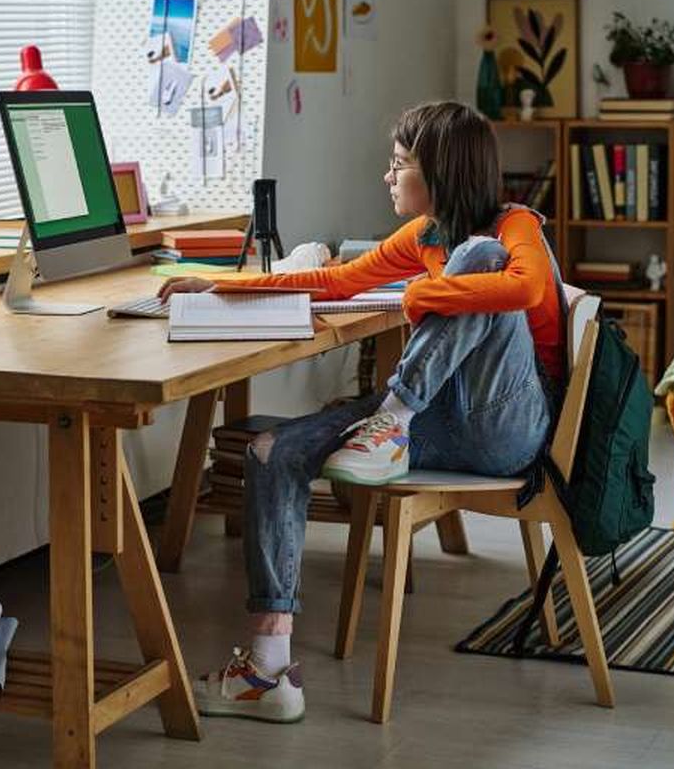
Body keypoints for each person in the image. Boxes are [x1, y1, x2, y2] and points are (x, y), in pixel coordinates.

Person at [158, 101, 566, 724]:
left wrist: (424, 293)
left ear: (442, 174)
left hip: (505, 425)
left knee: (478, 260)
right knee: (272, 450)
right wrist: (219, 286)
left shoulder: (512, 230)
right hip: (434, 421)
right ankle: (266, 672)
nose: (387, 176)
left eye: (400, 164)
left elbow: (528, 288)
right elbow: (335, 282)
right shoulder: (425, 234)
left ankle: (393, 416)